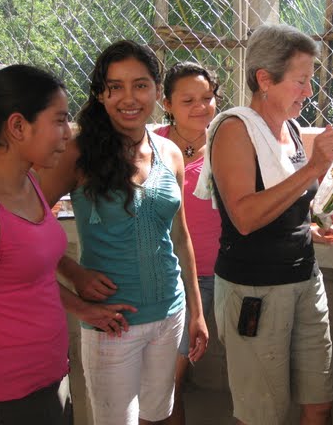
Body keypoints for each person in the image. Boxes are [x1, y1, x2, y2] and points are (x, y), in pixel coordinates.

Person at [0, 64, 135, 425]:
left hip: (50, 378)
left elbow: (32, 278)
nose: (68, 133)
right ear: (18, 126)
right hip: (5, 397)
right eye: (60, 120)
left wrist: (84, 309)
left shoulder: (31, 182)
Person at [38, 40, 209, 425]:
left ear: (157, 91)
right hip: (111, 322)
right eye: (115, 87)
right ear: (101, 94)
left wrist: (196, 312)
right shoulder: (77, 154)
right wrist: (74, 275)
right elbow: (23, 227)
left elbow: (180, 237)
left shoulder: (169, 152)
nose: (129, 98)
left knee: (157, 416)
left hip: (170, 313)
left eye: (140, 85)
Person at [195, 23, 333, 425]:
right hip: (255, 289)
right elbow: (245, 217)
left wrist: (322, 217)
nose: (308, 91)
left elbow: (289, 205)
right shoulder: (235, 130)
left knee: (319, 401)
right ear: (265, 79)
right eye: (300, 81)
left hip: (304, 278)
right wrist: (315, 167)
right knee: (261, 415)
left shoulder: (292, 130)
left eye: (309, 80)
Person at [153, 61, 221, 425]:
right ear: (167, 104)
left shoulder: (226, 143)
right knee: (165, 386)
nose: (200, 107)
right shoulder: (154, 146)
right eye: (188, 100)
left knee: (169, 384)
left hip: (215, 277)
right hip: (166, 277)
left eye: (207, 97)